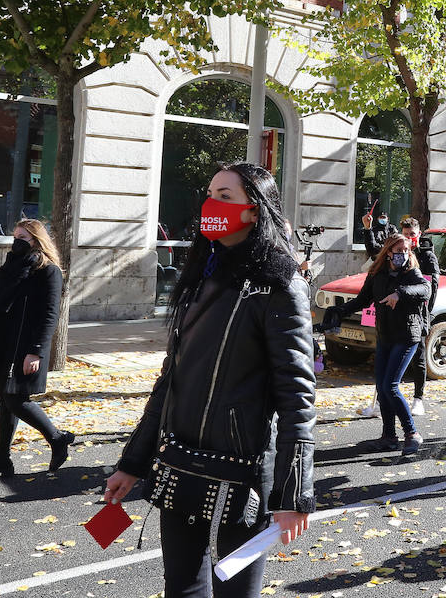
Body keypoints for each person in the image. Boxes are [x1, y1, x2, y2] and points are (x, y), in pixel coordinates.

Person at [103, 163, 315, 596]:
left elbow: (297, 396)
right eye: (209, 192)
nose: (210, 203)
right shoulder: (201, 276)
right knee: (181, 589)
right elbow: (171, 380)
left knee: (236, 591)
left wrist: (293, 496)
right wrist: (132, 462)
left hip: (244, 474)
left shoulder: (279, 284)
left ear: (255, 210)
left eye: (225, 194)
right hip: (179, 463)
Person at [0, 219, 72, 481]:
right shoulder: (12, 267)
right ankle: (1, 460)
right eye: (15, 235)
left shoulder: (48, 270)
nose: (16, 240)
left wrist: (36, 351)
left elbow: (49, 315)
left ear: (36, 240)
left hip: (24, 346)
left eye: (23, 236)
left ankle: (57, 439)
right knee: (4, 404)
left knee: (15, 400)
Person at [347, 232, 431, 455]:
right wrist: (337, 312)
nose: (402, 255)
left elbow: (425, 289)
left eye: (406, 251)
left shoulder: (412, 271)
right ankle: (389, 436)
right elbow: (362, 300)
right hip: (385, 335)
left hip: (407, 335)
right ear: (388, 252)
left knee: (390, 386)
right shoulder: (377, 273)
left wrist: (400, 293)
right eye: (398, 252)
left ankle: (412, 434)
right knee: (382, 388)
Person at [400, 217, 439, 417]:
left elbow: (431, 289)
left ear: (419, 234)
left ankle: (418, 399)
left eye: (412, 235)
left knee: (419, 357)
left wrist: (426, 315)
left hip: (419, 314)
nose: (409, 238)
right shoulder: (399, 253)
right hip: (399, 313)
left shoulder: (427, 257)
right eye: (405, 235)